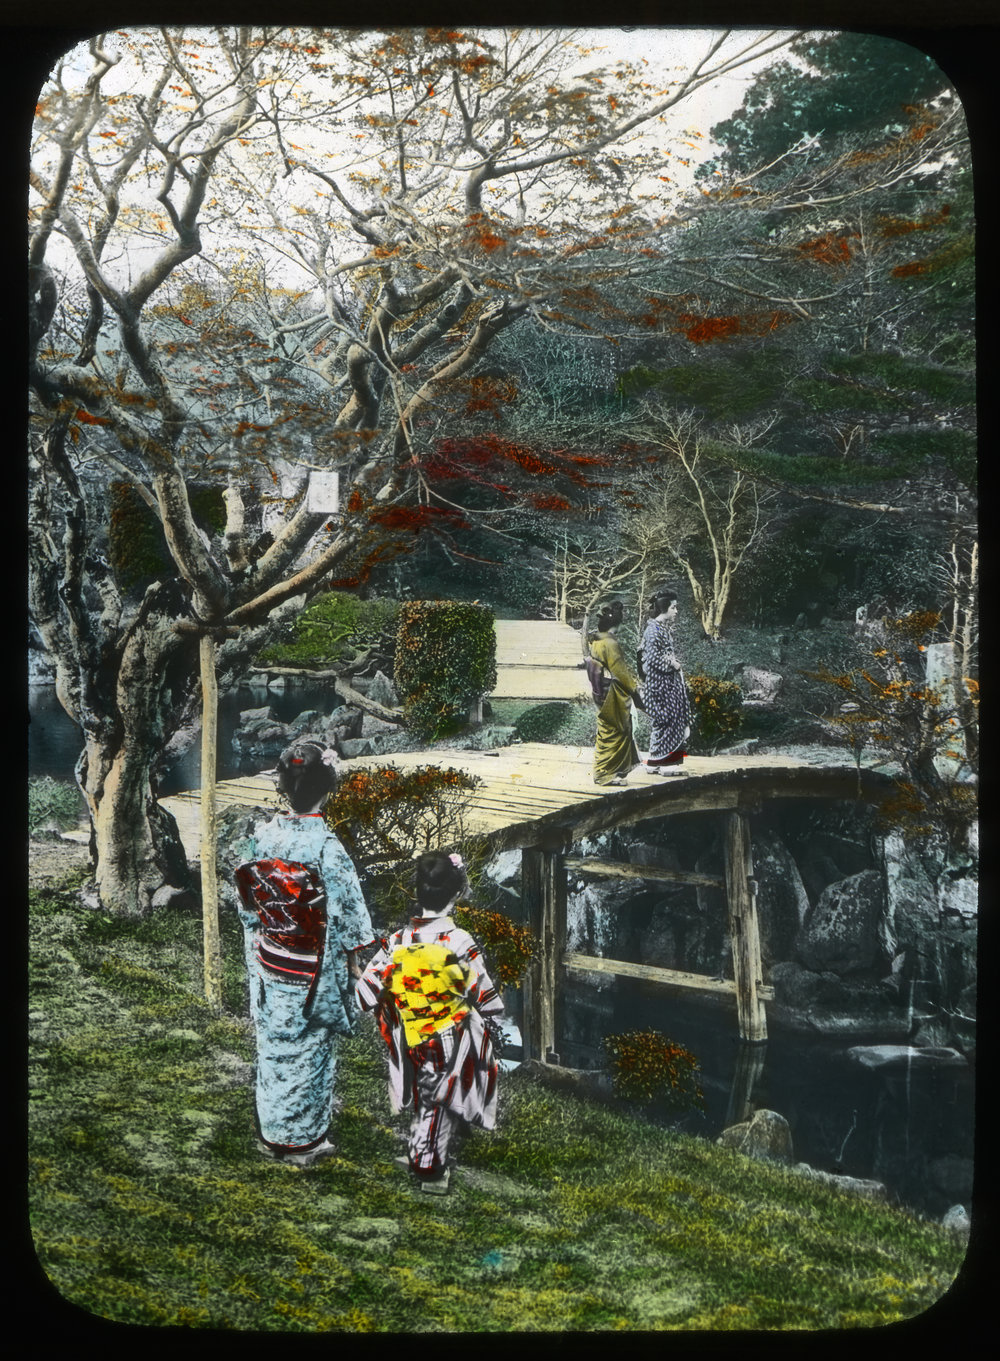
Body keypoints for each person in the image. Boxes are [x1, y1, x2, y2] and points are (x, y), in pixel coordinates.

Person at [234, 741, 374, 1167]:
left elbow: (246, 900)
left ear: (282, 785)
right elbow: (348, 914)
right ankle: (303, 1142)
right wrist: (354, 960)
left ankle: (273, 1131)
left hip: (272, 955)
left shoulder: (263, 836)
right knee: (310, 1048)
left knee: (275, 1045)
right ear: (328, 790)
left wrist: (267, 928)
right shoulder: (327, 848)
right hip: (311, 966)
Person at [355, 851, 504, 1195]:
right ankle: (428, 1167)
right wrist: (489, 1010)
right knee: (438, 1097)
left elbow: (367, 991)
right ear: (457, 893)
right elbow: (483, 994)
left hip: (410, 1032)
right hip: (447, 1033)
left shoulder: (398, 940)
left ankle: (420, 1149)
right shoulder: (459, 942)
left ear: (417, 892)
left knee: (426, 1091)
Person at [589, 599, 644, 786]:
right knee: (616, 731)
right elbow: (620, 673)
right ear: (617, 621)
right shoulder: (610, 643)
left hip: (600, 690)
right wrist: (635, 690)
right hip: (612, 693)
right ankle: (605, 774)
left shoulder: (597, 641)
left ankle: (612, 771)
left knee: (608, 731)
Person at [640, 589, 692, 774]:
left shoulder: (659, 628)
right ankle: (665, 764)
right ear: (664, 608)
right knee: (667, 720)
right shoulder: (653, 630)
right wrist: (673, 663)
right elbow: (653, 658)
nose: (676, 611)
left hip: (665, 683)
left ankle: (655, 761)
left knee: (666, 721)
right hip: (660, 684)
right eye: (673, 607)